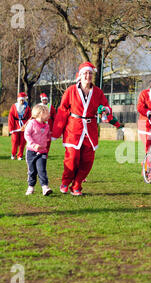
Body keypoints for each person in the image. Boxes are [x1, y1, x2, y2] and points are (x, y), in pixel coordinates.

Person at [51, 61, 109, 196]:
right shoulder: (71, 90)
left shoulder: (98, 92)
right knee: (72, 159)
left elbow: (105, 107)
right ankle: (65, 181)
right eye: (85, 73)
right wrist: (56, 132)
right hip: (73, 129)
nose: (87, 76)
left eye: (90, 73)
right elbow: (62, 110)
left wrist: (105, 111)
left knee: (87, 161)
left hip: (90, 129)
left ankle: (77, 185)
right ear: (80, 75)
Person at [24, 104, 53, 196]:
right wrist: (34, 145)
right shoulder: (31, 123)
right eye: (47, 113)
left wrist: (52, 136)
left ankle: (45, 187)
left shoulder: (46, 126)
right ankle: (31, 187)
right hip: (31, 152)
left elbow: (48, 136)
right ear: (40, 113)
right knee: (32, 171)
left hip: (42, 152)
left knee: (42, 170)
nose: (49, 115)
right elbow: (27, 134)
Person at [8, 92, 31, 160]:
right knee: (14, 141)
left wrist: (28, 125)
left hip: (24, 126)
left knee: (23, 141)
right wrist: (11, 128)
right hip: (15, 126)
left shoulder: (27, 107)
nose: (22, 101)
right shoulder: (14, 107)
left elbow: (30, 117)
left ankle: (20, 155)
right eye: (21, 100)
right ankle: (13, 154)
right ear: (18, 100)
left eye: (23, 100)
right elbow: (10, 118)